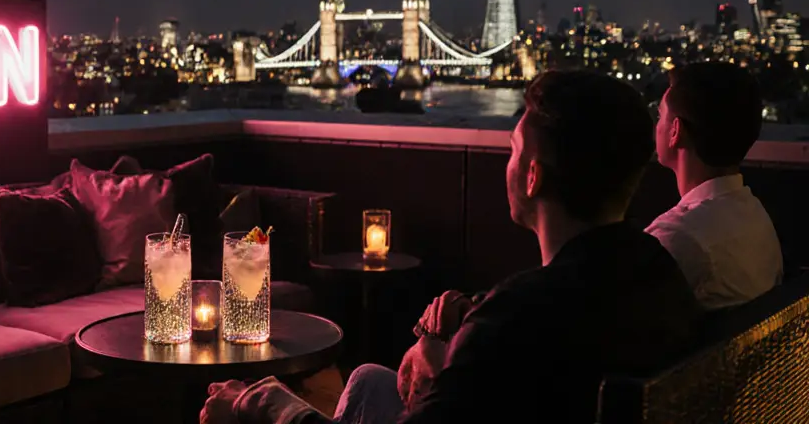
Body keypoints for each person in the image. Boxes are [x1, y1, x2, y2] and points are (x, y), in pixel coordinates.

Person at [201, 70, 703, 424]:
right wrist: (452, 338)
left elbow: (514, 338)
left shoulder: (517, 319)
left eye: (511, 151)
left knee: (243, 405)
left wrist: (263, 404)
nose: (506, 164)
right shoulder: (658, 271)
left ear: (532, 177)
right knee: (369, 380)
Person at [646, 61, 783, 310]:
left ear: (676, 131)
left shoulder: (678, 238)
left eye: (660, 116)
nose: (656, 125)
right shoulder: (755, 215)